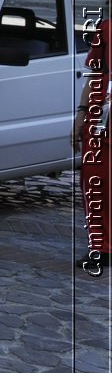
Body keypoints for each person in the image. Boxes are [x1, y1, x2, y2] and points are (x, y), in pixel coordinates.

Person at [76, 26, 108, 275]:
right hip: (101, 117)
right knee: (95, 182)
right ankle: (100, 247)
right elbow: (95, 74)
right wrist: (81, 113)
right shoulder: (106, 28)